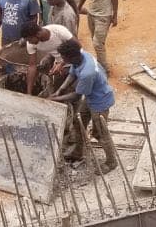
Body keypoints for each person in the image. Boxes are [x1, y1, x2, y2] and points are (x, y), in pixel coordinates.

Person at [50, 39, 119, 173]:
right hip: (91, 97)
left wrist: (56, 98)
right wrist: (60, 90)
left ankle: (111, 162)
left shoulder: (88, 72)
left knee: (99, 132)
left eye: (64, 58)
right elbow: (72, 73)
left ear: (72, 57)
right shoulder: (80, 57)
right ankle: (78, 152)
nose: (62, 61)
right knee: (78, 122)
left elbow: (76, 95)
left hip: (100, 101)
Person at [21, 21, 75, 96]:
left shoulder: (59, 31)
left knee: (70, 92)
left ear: (38, 34)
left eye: (30, 40)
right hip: (59, 64)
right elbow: (32, 66)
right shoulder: (31, 42)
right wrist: (29, 93)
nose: (29, 43)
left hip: (76, 61)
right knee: (57, 90)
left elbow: (77, 48)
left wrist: (62, 64)